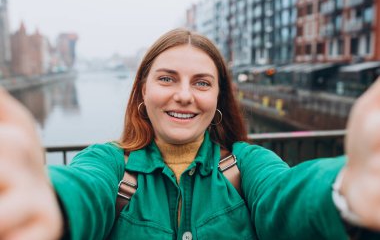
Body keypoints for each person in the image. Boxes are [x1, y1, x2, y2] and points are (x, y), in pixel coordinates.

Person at [0, 28, 380, 240]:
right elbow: (84, 187)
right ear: (142, 94)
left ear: (218, 99)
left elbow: (287, 197)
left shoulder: (248, 165)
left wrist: (345, 190)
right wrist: (48, 202)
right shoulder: (110, 163)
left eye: (201, 82)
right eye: (167, 79)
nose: (184, 94)